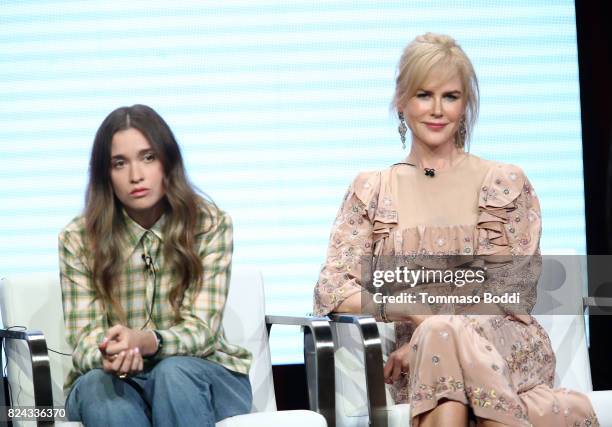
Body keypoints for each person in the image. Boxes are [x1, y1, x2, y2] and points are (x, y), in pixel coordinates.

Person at [313, 33, 599, 426]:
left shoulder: (505, 183)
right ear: (401, 100)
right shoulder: (372, 191)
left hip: (505, 346)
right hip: (419, 359)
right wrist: (411, 312)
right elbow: (332, 287)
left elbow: (509, 294)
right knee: (445, 352)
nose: (436, 110)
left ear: (465, 106)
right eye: (423, 95)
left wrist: (434, 327)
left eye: (450, 96)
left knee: (442, 337)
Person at [58, 104, 252, 426]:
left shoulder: (209, 224)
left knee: (173, 374)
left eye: (148, 158)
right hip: (114, 379)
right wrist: (109, 353)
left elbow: (201, 332)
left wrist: (147, 342)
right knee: (99, 388)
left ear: (167, 162)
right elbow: (84, 339)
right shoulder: (78, 238)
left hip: (201, 373)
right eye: (120, 163)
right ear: (105, 174)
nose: (136, 176)